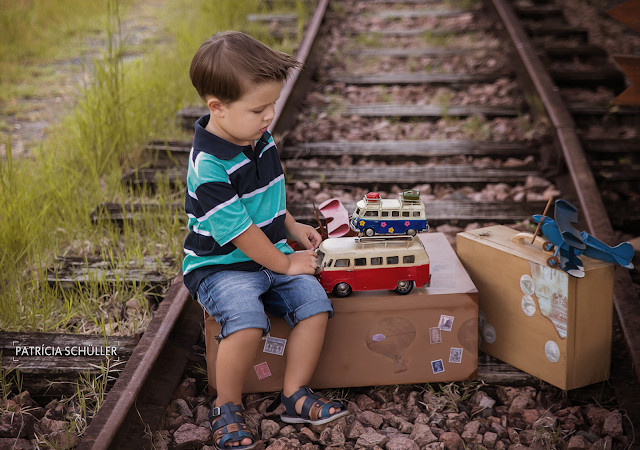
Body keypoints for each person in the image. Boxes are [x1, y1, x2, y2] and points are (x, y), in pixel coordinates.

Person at [183, 31, 347, 450]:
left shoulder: (256, 136)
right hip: (222, 264)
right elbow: (239, 231)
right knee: (247, 322)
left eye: (273, 104)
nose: (269, 115)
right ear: (216, 108)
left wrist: (291, 228)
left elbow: (266, 197)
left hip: (270, 253)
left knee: (314, 306)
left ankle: (294, 393)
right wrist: (286, 262)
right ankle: (227, 405)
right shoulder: (209, 166)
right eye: (259, 108)